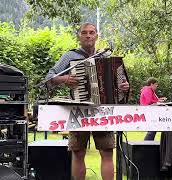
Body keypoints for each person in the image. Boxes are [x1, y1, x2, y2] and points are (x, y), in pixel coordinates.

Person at [45, 22, 129, 180]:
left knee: (107, 152)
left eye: (91, 32)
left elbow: (120, 84)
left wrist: (124, 86)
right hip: (78, 110)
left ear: (97, 36)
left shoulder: (105, 57)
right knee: (78, 152)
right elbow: (49, 78)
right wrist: (64, 78)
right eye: (84, 33)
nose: (88, 35)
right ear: (79, 36)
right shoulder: (70, 56)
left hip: (102, 111)